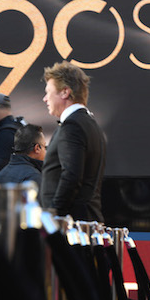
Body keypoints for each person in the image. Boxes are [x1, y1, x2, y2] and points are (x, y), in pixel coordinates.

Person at [40, 61, 107, 222]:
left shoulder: (73, 125)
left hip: (71, 225)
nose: (45, 99)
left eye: (48, 92)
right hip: (84, 221)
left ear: (65, 92)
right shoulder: (90, 123)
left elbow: (71, 175)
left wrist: (55, 214)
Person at [0, 124, 47, 231]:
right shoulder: (33, 177)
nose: (46, 151)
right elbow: (37, 221)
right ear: (37, 148)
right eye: (45, 147)